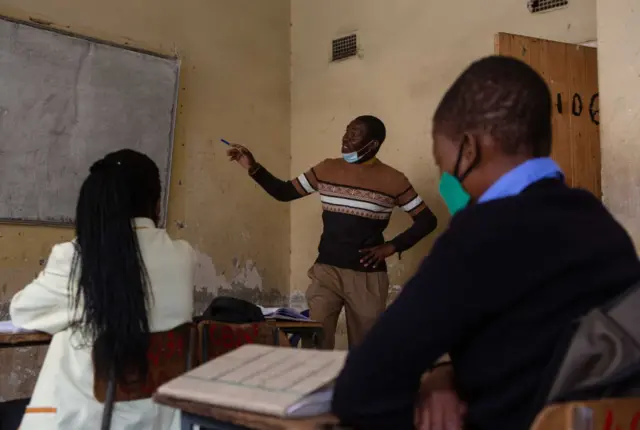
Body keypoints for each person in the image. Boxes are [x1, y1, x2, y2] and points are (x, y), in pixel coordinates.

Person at [331, 56, 640, 430]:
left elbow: (360, 392)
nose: (445, 177)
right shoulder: (601, 225)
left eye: (441, 160)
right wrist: (444, 374)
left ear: (469, 149)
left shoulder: (480, 235)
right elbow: (526, 348)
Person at [10, 149, 196, 430]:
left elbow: (23, 311)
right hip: (159, 419)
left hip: (84, 421)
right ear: (156, 205)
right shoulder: (183, 257)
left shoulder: (78, 257)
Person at [228, 115, 437, 349]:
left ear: (373, 144)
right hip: (326, 271)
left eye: (355, 134)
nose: (346, 138)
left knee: (366, 349)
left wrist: (392, 247)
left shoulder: (393, 180)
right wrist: (253, 167)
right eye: (346, 131)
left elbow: (427, 220)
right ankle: (319, 386)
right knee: (314, 342)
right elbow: (284, 192)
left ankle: (360, 386)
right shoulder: (327, 169)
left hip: (366, 277)